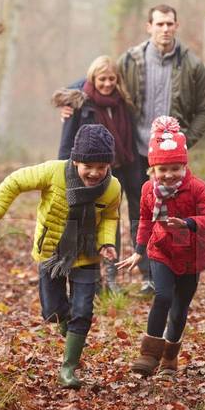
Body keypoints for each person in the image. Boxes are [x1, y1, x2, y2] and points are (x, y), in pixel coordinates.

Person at [62, 4, 205, 295]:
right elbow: (98, 77)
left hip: (167, 159)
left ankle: (154, 275)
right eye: (159, 24)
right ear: (149, 27)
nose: (165, 29)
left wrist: (183, 141)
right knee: (116, 210)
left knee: (156, 214)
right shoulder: (130, 60)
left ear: (176, 26)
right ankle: (113, 275)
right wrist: (71, 99)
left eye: (169, 23)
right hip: (132, 151)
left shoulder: (192, 65)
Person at [0, 124, 121, 389]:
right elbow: (15, 182)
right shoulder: (53, 172)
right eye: (88, 166)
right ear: (75, 160)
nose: (95, 173)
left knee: (83, 311)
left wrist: (106, 243)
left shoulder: (112, 187)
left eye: (102, 167)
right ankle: (70, 331)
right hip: (52, 253)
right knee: (52, 311)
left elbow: (110, 217)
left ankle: (68, 368)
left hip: (87, 255)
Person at [118, 116, 205, 377]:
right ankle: (149, 354)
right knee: (163, 296)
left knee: (179, 310)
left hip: (191, 256)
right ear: (152, 169)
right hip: (161, 251)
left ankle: (169, 358)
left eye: (175, 168)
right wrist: (139, 250)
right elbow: (145, 220)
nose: (168, 175)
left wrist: (189, 223)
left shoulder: (196, 188)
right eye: (162, 169)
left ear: (184, 166)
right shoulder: (148, 190)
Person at [52, 56, 143, 294]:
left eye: (112, 78)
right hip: (92, 173)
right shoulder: (79, 103)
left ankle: (116, 277)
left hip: (123, 167)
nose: (107, 84)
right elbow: (66, 143)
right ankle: (94, 279)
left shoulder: (123, 101)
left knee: (117, 220)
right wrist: (65, 174)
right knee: (92, 223)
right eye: (102, 79)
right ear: (93, 78)